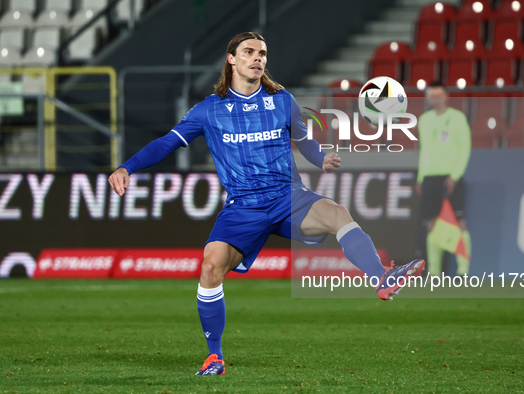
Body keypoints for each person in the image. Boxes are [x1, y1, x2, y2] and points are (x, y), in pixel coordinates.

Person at [108, 32, 425, 376]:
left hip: (288, 197)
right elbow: (167, 143)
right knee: (211, 266)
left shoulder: (281, 101)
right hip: (244, 207)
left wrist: (322, 160)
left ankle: (381, 277)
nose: (258, 58)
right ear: (231, 59)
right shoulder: (208, 111)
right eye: (249, 52)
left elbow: (305, 141)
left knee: (338, 214)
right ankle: (214, 357)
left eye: (262, 53)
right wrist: (127, 167)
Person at [415, 81, 472, 277]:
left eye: (439, 95)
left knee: (459, 221)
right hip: (430, 177)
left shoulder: (457, 118)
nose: (435, 99)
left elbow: (465, 149)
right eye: (432, 95)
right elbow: (425, 150)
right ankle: (433, 271)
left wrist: (455, 175)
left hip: (450, 176)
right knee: (431, 222)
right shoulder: (424, 119)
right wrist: (421, 177)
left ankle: (463, 269)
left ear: (446, 96)